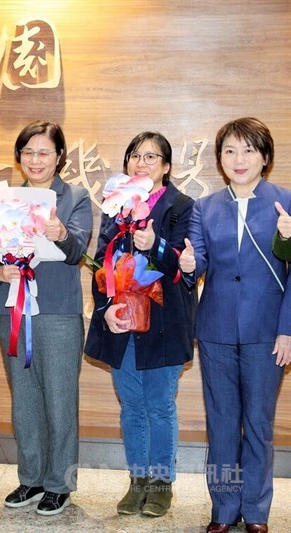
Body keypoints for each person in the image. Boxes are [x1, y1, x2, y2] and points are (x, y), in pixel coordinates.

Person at [179, 117, 291, 533]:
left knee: (259, 424)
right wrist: (189, 266)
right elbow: (198, 261)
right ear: (220, 159)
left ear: (265, 156)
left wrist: (288, 330)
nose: (238, 159)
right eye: (229, 151)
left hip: (268, 332)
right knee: (222, 422)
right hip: (216, 331)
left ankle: (257, 511)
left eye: (248, 150)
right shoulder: (205, 207)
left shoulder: (286, 202)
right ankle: (224, 509)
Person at [0, 121, 92, 516]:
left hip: (57, 309)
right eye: (28, 152)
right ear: (19, 157)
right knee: (24, 397)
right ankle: (31, 477)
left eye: (44, 152)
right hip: (12, 306)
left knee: (60, 398)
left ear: (59, 157)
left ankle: (59, 483)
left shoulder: (74, 196)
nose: (36, 159)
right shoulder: (4, 197)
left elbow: (78, 249)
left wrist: (60, 232)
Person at [84, 132, 195, 517]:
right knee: (131, 406)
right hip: (123, 323)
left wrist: (155, 245)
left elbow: (185, 268)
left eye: (152, 157)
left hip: (165, 323)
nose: (142, 163)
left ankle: (162, 484)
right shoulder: (116, 207)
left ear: (166, 167)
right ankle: (138, 482)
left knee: (160, 405)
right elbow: (101, 263)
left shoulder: (181, 206)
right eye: (135, 155)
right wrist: (106, 310)